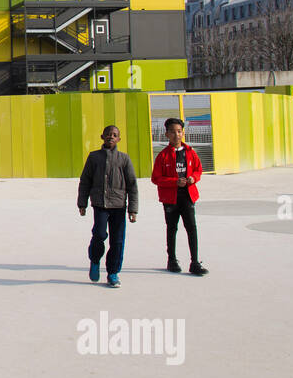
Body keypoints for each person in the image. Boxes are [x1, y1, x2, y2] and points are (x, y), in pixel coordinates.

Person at [76, 125, 139, 288]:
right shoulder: (94, 157)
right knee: (99, 234)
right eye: (108, 134)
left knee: (117, 241)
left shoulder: (124, 159)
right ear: (102, 137)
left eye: (115, 135)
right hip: (100, 204)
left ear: (119, 139)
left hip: (118, 205)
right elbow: (85, 181)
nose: (111, 137)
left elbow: (132, 185)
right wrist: (82, 203)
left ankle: (113, 273)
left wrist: (133, 209)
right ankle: (95, 260)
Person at [151, 118, 208, 276]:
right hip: (171, 198)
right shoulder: (163, 156)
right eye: (173, 132)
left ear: (183, 133)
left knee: (191, 228)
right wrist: (174, 182)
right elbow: (156, 178)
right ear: (166, 134)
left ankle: (195, 262)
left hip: (188, 196)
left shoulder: (190, 152)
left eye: (179, 131)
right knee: (172, 228)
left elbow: (198, 170)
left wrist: (193, 179)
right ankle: (172, 260)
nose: (177, 135)